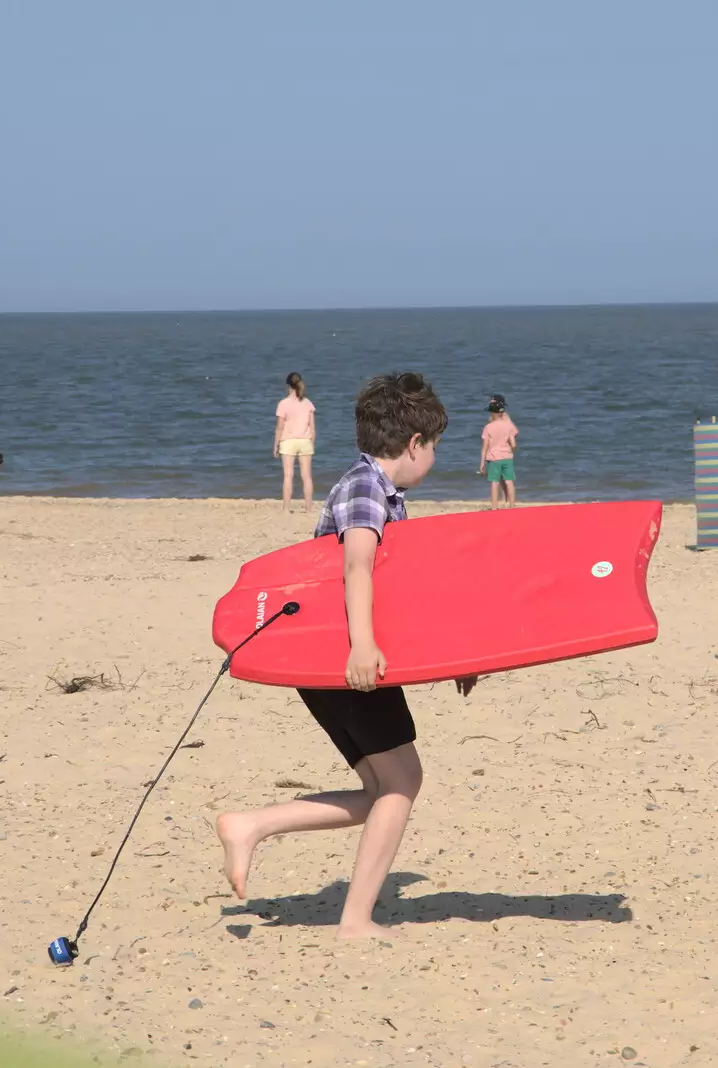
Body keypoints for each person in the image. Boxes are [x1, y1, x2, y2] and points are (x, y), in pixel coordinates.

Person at [217, 371, 474, 939]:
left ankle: (251, 825)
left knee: (380, 793)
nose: (433, 457)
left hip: (331, 660)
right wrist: (361, 646)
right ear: (415, 444)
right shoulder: (367, 489)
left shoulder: (380, 490)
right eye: (433, 447)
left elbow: (397, 596)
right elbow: (357, 565)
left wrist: (457, 657)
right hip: (344, 659)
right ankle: (355, 919)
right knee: (403, 781)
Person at [273, 372, 317, 511]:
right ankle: (308, 507)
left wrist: (275, 445)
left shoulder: (283, 404)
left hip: (288, 442)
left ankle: (286, 508)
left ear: (288, 386)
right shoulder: (308, 403)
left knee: (288, 476)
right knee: (307, 476)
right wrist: (311, 442)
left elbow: (280, 427)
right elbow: (312, 427)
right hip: (305, 441)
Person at [478, 393, 519, 508]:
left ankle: (502, 503)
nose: (491, 403)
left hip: (496, 454)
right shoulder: (500, 418)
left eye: (492, 402)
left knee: (498, 480)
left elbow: (514, 432)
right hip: (505, 453)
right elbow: (512, 435)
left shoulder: (504, 418)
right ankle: (509, 502)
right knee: (505, 480)